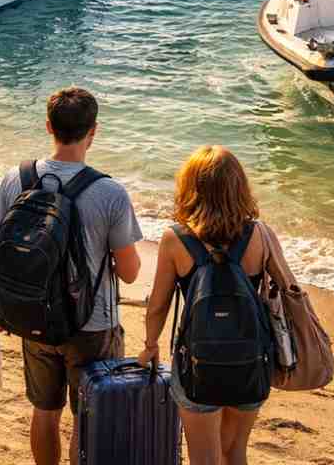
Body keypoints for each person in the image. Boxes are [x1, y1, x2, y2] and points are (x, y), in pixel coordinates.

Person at [0, 87, 142, 465]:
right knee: (87, 419)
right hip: (91, 324)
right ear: (94, 130)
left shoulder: (15, 178)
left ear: (48, 126)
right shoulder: (109, 192)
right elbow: (129, 273)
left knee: (44, 412)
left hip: (33, 315)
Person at [141, 146, 276, 465]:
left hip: (197, 362)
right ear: (240, 186)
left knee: (203, 458)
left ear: (190, 187)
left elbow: (159, 304)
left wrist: (150, 345)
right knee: (235, 452)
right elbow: (287, 290)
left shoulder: (175, 239)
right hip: (250, 357)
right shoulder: (259, 234)